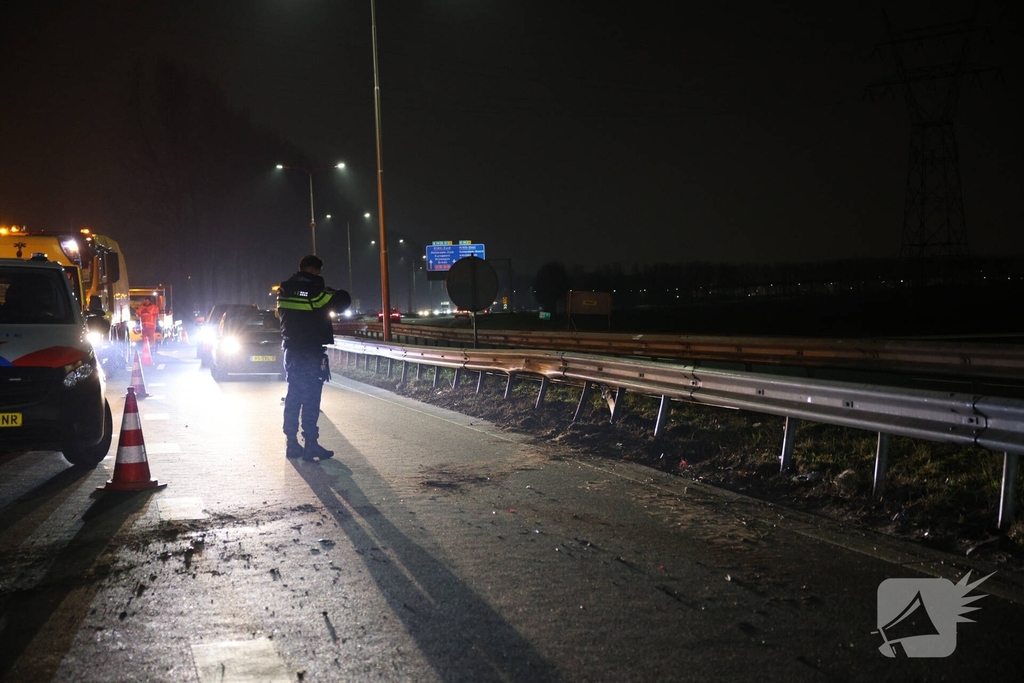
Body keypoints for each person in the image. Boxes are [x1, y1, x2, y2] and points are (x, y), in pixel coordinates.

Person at [276, 254, 349, 461]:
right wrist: (330, 290)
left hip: (291, 349)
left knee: (293, 395)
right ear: (314, 270)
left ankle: (291, 443)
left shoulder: (283, 290)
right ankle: (311, 444)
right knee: (311, 398)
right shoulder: (316, 292)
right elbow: (342, 301)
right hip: (311, 352)